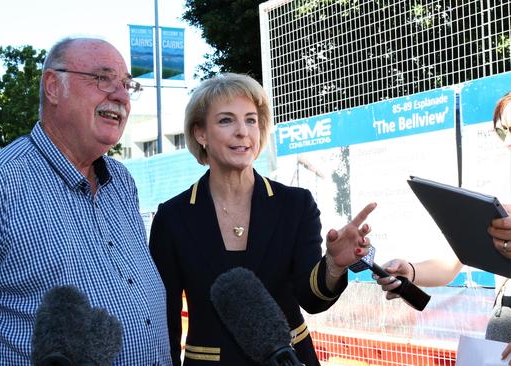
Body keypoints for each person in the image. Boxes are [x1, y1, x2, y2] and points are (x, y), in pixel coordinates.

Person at [0, 37, 171, 365]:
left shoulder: (121, 183)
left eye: (127, 84)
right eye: (103, 79)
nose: (120, 96)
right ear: (52, 86)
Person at [149, 73, 377, 366]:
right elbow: (164, 319)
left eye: (251, 120)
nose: (243, 131)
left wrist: (333, 265)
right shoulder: (172, 217)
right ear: (200, 133)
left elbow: (311, 300)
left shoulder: (296, 204)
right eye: (226, 120)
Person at [377, 91, 511, 364]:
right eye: (502, 131)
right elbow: (453, 261)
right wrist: (411, 271)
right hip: (501, 328)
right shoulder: (500, 199)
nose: (508, 141)